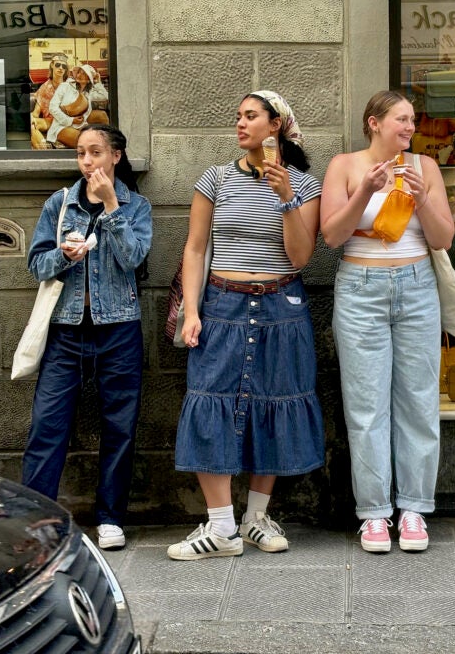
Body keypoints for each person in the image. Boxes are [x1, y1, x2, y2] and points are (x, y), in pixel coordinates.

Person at [169, 90, 324, 561]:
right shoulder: (215, 179)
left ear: (275, 125)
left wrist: (286, 198)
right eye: (238, 115)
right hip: (222, 303)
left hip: (282, 305)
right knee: (209, 399)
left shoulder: (306, 185)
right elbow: (195, 249)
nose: (240, 123)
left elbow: (301, 256)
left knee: (275, 402)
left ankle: (255, 518)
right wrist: (192, 310)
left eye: (250, 116)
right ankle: (220, 527)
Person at [320, 90, 454, 553]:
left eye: (413, 120)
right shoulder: (345, 165)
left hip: (417, 285)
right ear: (373, 122)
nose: (411, 127)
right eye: (402, 119)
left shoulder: (425, 169)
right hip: (361, 287)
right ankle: (374, 514)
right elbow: (333, 236)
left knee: (419, 399)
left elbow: (443, 239)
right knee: (366, 404)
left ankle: (414, 508)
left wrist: (420, 201)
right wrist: (365, 193)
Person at [20, 124, 151, 551]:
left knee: (120, 426)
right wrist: (63, 255)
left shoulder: (137, 207)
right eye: (81, 154)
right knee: (48, 425)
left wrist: (112, 208)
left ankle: (110, 518)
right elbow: (36, 265)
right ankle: (35, 518)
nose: (88, 161)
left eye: (96, 152)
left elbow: (133, 259)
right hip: (67, 331)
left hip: (120, 330)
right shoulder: (60, 203)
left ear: (115, 156)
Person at [46, 63, 110, 149]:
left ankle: (108, 144)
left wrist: (98, 82)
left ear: (89, 79)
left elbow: (105, 97)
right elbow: (52, 107)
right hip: (62, 125)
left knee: (102, 115)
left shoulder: (89, 92)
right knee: (83, 142)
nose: (80, 75)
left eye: (84, 73)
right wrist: (71, 120)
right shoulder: (65, 86)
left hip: (82, 123)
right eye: (79, 72)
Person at [30, 53, 69, 149]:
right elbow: (36, 113)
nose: (60, 68)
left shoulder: (70, 86)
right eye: (57, 65)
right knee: (31, 125)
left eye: (63, 66)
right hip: (50, 121)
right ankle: (45, 148)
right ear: (52, 65)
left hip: (67, 121)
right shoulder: (45, 88)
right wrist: (31, 117)